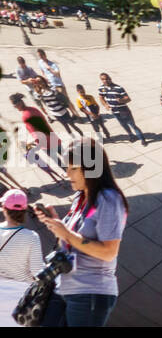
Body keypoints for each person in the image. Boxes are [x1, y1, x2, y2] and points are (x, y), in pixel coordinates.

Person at [36, 138, 128, 327]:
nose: (67, 173)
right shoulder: (81, 196)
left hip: (90, 292)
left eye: (74, 168)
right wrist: (57, 226)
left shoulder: (108, 199)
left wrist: (67, 234)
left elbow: (109, 252)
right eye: (66, 168)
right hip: (63, 286)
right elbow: (71, 243)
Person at [0, 189, 44, 326]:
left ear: (3, 208)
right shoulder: (31, 237)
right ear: (24, 211)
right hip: (20, 297)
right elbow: (38, 272)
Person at [8, 95, 68, 185]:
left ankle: (69, 172)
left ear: (20, 103)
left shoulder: (25, 116)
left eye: (14, 104)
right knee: (65, 155)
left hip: (45, 143)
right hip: (51, 136)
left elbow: (35, 132)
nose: (14, 107)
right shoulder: (33, 109)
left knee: (57, 159)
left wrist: (33, 144)